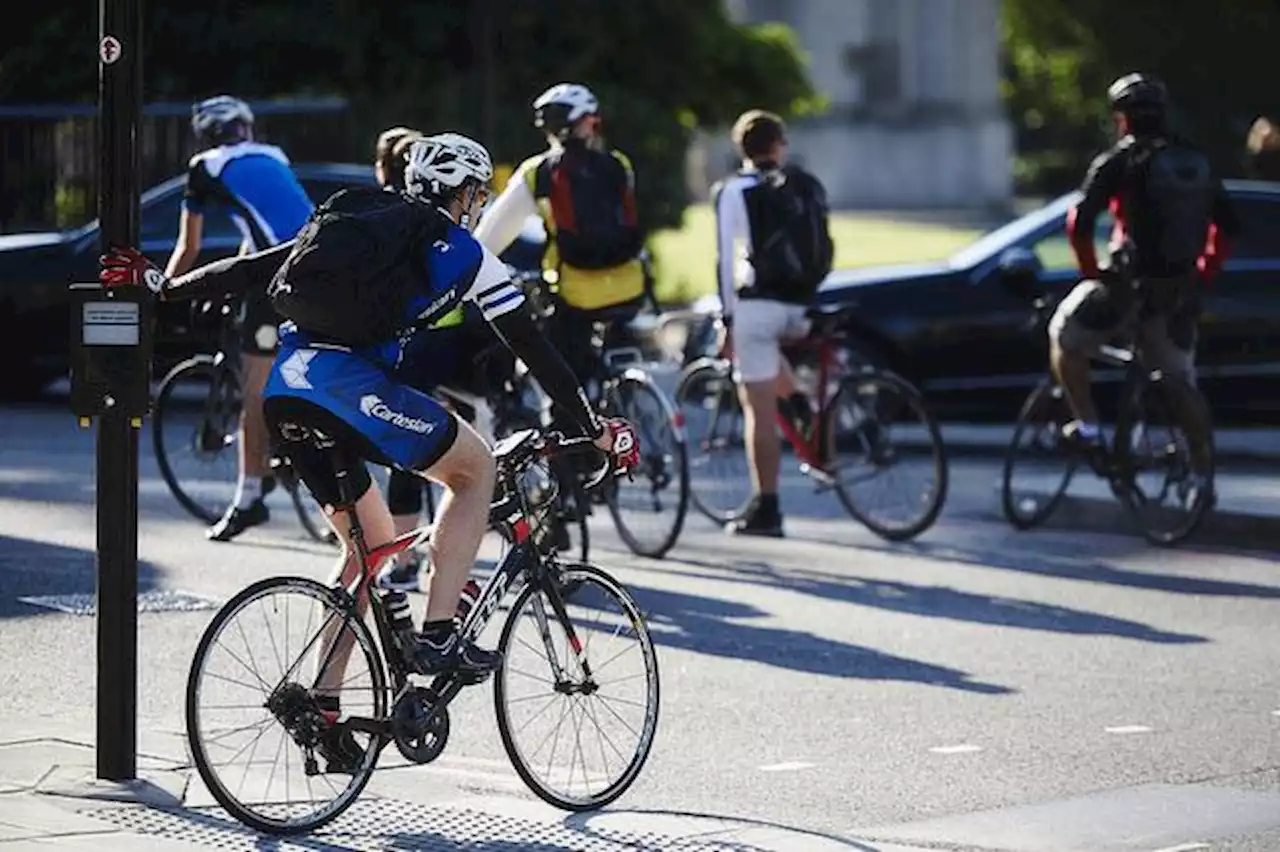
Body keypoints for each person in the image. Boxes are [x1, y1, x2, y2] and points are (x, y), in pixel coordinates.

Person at [101, 132, 638, 691]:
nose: (479, 205)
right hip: (347, 386)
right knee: (475, 469)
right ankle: (438, 636)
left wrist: (163, 288)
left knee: (371, 551)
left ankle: (322, 704)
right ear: (461, 194)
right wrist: (594, 430)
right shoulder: (464, 253)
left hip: (285, 390)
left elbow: (250, 270)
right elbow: (534, 348)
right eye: (477, 194)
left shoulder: (355, 219)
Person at [1049, 73, 1240, 453]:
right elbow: (1229, 226)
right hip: (1179, 291)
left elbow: (1079, 224)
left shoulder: (1119, 160)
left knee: (1064, 336)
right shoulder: (1195, 159)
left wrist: (1092, 271)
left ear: (1122, 118)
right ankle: (1201, 478)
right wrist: (1204, 269)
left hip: (1127, 286)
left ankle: (1088, 427)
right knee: (1180, 383)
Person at [165, 95, 316, 542]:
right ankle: (292, 452)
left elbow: (187, 249)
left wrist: (165, 296)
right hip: (319, 266)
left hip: (281, 277)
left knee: (255, 390)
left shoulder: (203, 167)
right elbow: (261, 234)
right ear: (245, 129)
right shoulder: (274, 155)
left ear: (207, 135)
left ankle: (249, 497)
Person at [473, 82, 648, 397]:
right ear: (585, 123)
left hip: (574, 294)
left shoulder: (537, 172)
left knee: (561, 383)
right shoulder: (619, 163)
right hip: (629, 289)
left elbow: (487, 240)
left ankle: (570, 436)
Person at [712, 109, 833, 537]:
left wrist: (726, 321)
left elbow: (727, 262)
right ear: (779, 145)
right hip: (803, 306)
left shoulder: (734, 191)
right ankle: (801, 401)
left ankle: (768, 507)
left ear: (741, 149)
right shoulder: (801, 186)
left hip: (759, 308)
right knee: (767, 356)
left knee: (757, 410)